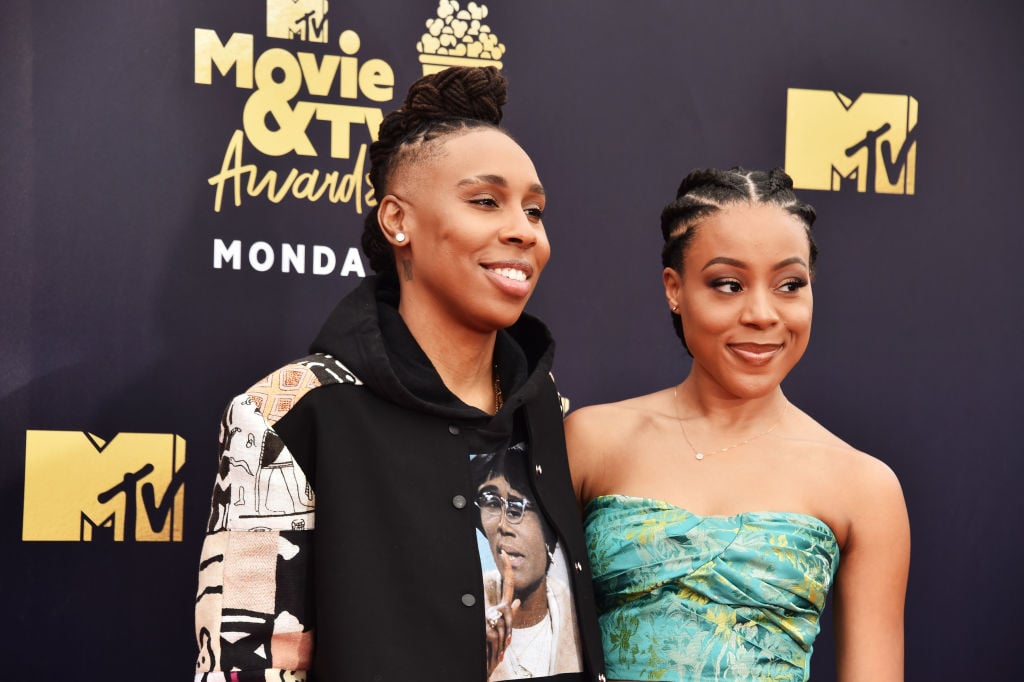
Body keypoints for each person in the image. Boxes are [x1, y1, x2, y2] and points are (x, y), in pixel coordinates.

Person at [193, 66, 605, 681]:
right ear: (397, 221)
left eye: (535, 209)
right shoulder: (284, 414)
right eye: (485, 201)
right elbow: (243, 666)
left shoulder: (552, 416)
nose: (523, 229)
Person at [565, 167, 910, 681]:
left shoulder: (865, 487)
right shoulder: (590, 440)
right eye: (728, 284)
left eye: (790, 285)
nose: (762, 314)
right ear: (674, 289)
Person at [472, 447, 584, 679]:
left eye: (517, 506)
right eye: (491, 502)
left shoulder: (584, 618)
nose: (502, 524)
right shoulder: (457, 618)